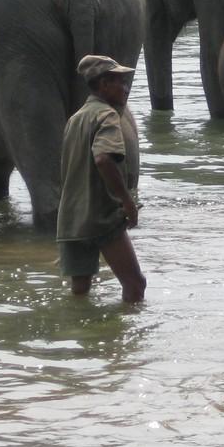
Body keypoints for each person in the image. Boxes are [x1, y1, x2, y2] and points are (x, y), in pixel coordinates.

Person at [58, 55, 146, 303]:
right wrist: (127, 202)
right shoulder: (107, 116)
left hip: (70, 221)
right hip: (101, 218)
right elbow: (103, 159)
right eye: (119, 82)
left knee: (80, 293)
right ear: (103, 84)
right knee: (135, 284)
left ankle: (83, 336)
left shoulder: (74, 120)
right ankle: (125, 341)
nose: (125, 88)